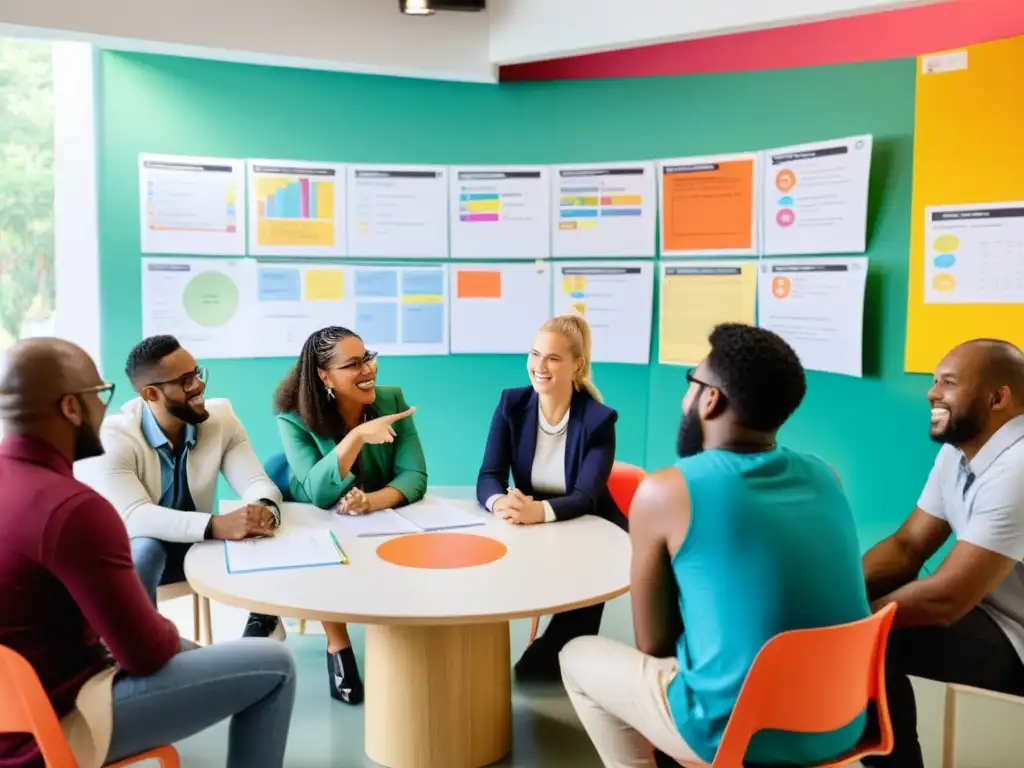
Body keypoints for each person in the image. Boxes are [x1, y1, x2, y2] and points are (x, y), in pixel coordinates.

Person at [560, 323, 871, 767]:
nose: (685, 397)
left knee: (577, 655)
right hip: (842, 722)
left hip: (735, 734)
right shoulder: (826, 475)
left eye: (692, 381)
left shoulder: (667, 492)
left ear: (711, 398)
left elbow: (654, 644)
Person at [0, 338, 296, 768]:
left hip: (15, 709)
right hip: (56, 721)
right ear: (70, 408)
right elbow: (142, 654)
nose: (104, 409)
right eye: (99, 395)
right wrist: (178, 642)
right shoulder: (73, 508)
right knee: (276, 664)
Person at [862, 339, 1024, 768]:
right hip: (992, 619)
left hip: (1017, 642)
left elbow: (946, 599)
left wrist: (842, 618)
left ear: (998, 397)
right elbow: (907, 547)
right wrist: (833, 595)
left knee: (869, 640)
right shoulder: (957, 454)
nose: (932, 393)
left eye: (948, 382)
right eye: (934, 381)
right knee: (866, 623)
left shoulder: (1019, 466)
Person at [76, 335, 285, 640]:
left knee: (260, 526)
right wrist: (216, 525)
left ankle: (261, 625)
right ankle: (139, 647)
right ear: (151, 393)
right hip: (136, 556)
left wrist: (263, 510)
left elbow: (256, 482)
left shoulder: (220, 420)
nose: (199, 385)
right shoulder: (114, 438)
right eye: (186, 381)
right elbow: (135, 516)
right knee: (146, 548)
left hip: (197, 546)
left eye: (197, 373)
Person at [273, 326, 426, 704]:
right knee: (327, 551)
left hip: (369, 509)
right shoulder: (293, 417)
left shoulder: (392, 400)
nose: (367, 370)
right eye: (353, 364)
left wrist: (372, 501)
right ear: (324, 375)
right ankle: (337, 644)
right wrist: (356, 437)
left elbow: (414, 475)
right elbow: (319, 493)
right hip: (309, 510)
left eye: (368, 358)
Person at [476, 314, 625, 682]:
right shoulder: (511, 405)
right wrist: (499, 503)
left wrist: (537, 512)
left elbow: (587, 495)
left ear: (577, 365)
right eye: (535, 354)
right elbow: (488, 476)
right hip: (533, 518)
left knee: (539, 669)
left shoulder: (598, 420)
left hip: (589, 521)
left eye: (553, 358)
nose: (539, 366)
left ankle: (564, 653)